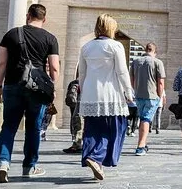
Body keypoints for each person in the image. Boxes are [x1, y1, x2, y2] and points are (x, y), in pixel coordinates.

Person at [0, 4, 60, 183]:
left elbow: (2, 63)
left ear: (28, 15)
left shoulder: (11, 34)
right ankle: (29, 166)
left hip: (13, 84)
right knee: (33, 128)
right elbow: (54, 68)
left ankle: (3, 163)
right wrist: (52, 88)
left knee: (9, 126)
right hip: (37, 89)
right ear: (44, 19)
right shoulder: (50, 38)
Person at [78, 14, 134, 180]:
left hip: (90, 93)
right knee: (113, 128)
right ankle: (96, 157)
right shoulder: (115, 46)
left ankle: (96, 161)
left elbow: (82, 73)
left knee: (92, 129)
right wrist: (128, 91)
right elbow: (122, 72)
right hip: (110, 92)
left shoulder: (86, 47)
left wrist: (83, 91)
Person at [130, 42, 166, 156]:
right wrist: (159, 95)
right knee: (146, 119)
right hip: (152, 95)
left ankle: (143, 143)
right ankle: (140, 146)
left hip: (139, 95)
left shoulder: (135, 62)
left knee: (143, 119)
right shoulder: (157, 62)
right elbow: (160, 82)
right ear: (154, 52)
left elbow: (131, 79)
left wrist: (136, 90)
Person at [62, 77, 83, 154]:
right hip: (79, 100)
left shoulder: (74, 83)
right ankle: (77, 144)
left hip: (79, 101)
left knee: (78, 122)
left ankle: (78, 145)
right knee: (78, 122)